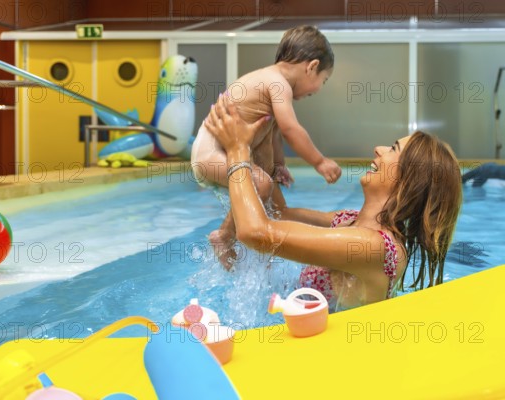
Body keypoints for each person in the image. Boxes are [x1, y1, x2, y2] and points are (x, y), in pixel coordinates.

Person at [203, 96, 463, 311]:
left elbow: (255, 233)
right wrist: (267, 147)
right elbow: (280, 214)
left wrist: (238, 151)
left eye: (393, 149)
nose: (379, 148)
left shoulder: (374, 248)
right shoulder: (346, 220)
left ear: (409, 181)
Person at [190, 25, 342, 269]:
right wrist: (319, 161)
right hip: (210, 153)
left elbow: (273, 134)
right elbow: (291, 129)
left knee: (272, 202)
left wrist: (278, 164)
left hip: (223, 153)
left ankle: (262, 260)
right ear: (312, 67)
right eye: (323, 80)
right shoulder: (277, 83)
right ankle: (224, 236)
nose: (319, 89)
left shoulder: (269, 82)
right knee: (261, 183)